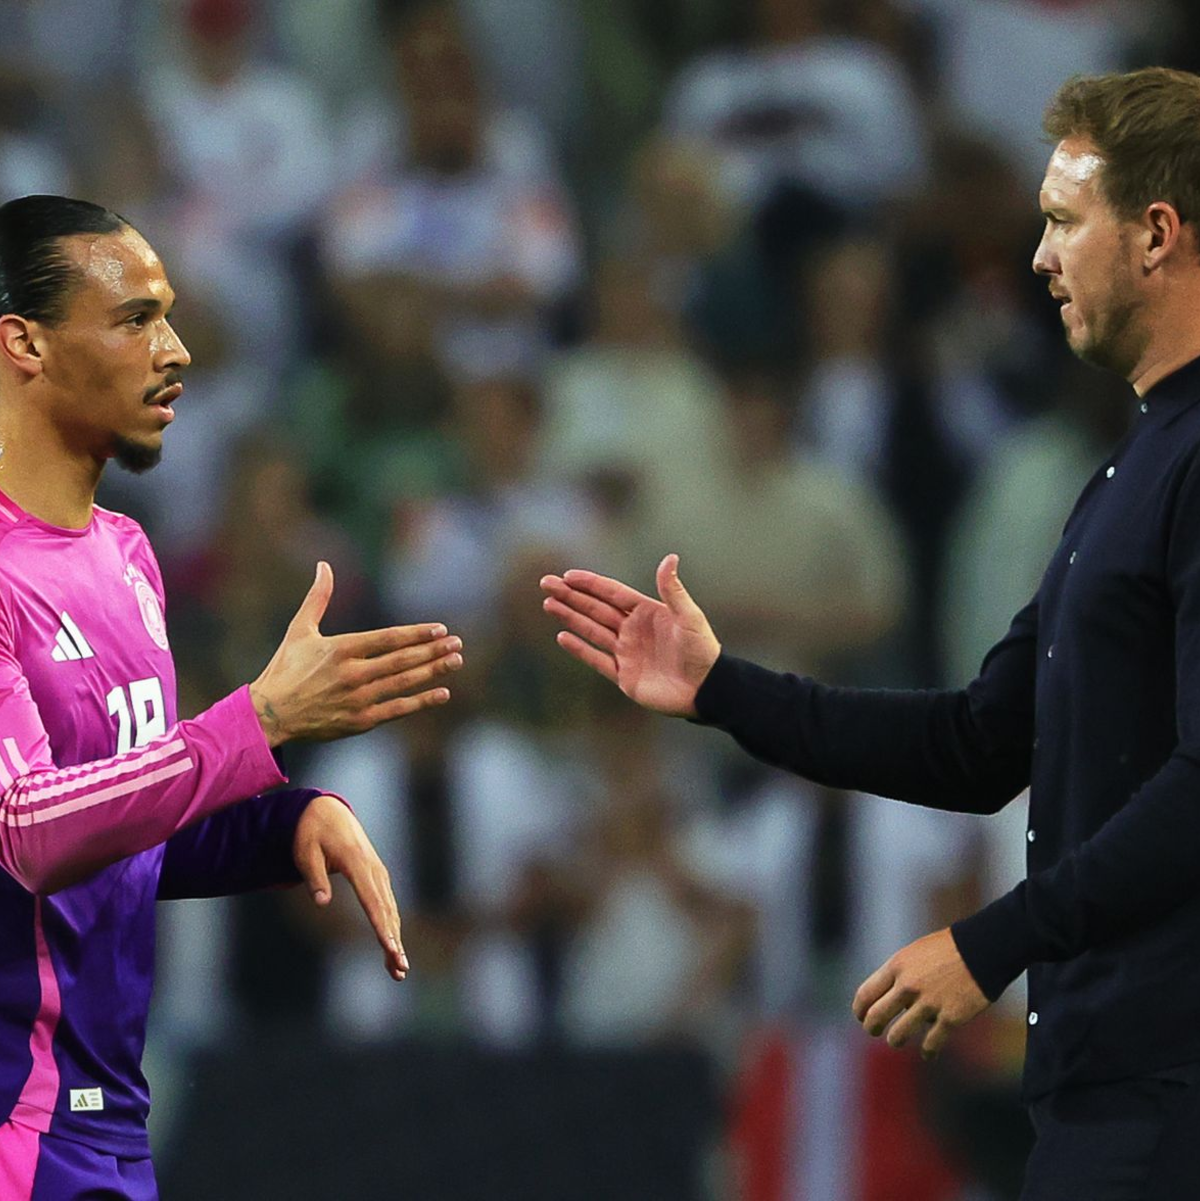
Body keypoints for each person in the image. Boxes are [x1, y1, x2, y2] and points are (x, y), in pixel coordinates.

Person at [541, 67, 1200, 1198]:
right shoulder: (1125, 474)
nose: (1037, 260)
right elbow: (979, 742)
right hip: (1106, 1093)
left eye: (1060, 224)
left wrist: (991, 943)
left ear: (1154, 234)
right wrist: (722, 688)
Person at [0, 194, 464, 1199]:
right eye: (133, 319)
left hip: (107, 1123)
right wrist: (259, 721)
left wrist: (280, 825)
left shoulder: (126, 556)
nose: (175, 350)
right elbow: (30, 832)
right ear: (25, 344)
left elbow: (124, 834)